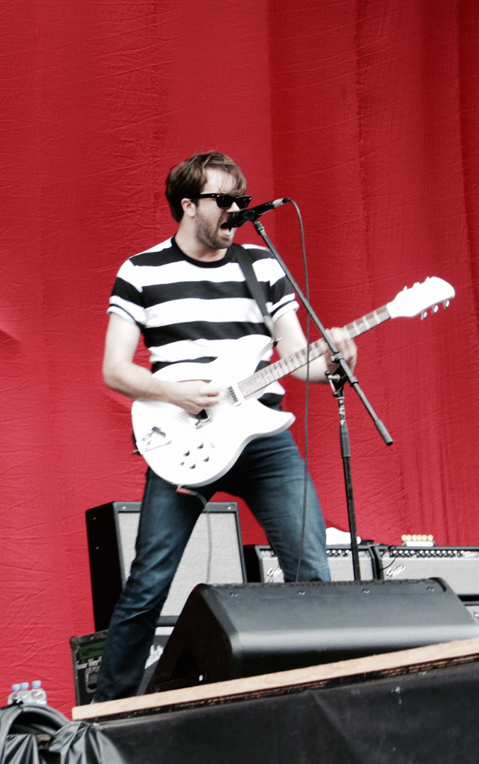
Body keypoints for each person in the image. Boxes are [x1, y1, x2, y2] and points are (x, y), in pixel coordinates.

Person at [93, 151, 357, 702]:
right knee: (148, 584)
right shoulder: (141, 270)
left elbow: (299, 361)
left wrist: (335, 359)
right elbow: (115, 369)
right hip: (185, 439)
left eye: (242, 199)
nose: (237, 209)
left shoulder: (262, 266)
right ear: (188, 205)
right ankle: (105, 714)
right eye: (223, 200)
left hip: (261, 441)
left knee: (312, 571)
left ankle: (323, 700)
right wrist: (172, 391)